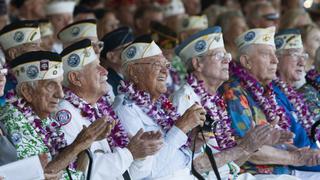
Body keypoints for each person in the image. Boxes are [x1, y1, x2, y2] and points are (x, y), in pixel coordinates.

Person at [172, 26, 294, 180]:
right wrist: (244, 146)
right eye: (218, 56)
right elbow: (193, 165)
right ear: (197, 64)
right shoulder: (185, 100)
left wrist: (253, 145)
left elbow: (232, 164)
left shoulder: (215, 101)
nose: (226, 60)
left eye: (226, 55)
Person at [221, 26, 320, 180]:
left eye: (275, 54)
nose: (275, 60)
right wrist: (295, 158)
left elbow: (278, 142)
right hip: (254, 174)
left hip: (283, 172)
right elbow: (249, 149)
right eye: (267, 55)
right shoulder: (234, 93)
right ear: (246, 61)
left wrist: (303, 154)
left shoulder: (266, 91)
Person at [58, 39, 163, 179]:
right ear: (75, 78)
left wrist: (141, 153)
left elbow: (130, 175)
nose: (104, 71)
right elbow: (82, 173)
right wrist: (130, 152)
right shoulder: (65, 113)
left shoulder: (99, 108)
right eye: (96, 67)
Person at [0, 51, 112, 179]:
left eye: (60, 84)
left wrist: (88, 141)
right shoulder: (12, 118)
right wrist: (77, 145)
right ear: (27, 92)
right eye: (51, 86)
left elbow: (77, 175)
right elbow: (39, 175)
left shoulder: (46, 119)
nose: (61, 94)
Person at [113, 37, 206, 179]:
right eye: (157, 65)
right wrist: (181, 128)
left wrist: (193, 143)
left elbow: (179, 157)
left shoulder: (160, 104)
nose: (165, 71)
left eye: (166, 65)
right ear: (133, 73)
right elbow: (144, 173)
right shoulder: (125, 109)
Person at [275, 29, 320, 133]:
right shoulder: (272, 95)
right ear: (276, 59)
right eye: (295, 54)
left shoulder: (293, 94)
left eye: (303, 56)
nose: (302, 62)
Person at [100, 26, 134, 99]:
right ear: (112, 57)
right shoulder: (107, 84)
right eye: (128, 48)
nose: (135, 53)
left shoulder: (132, 78)